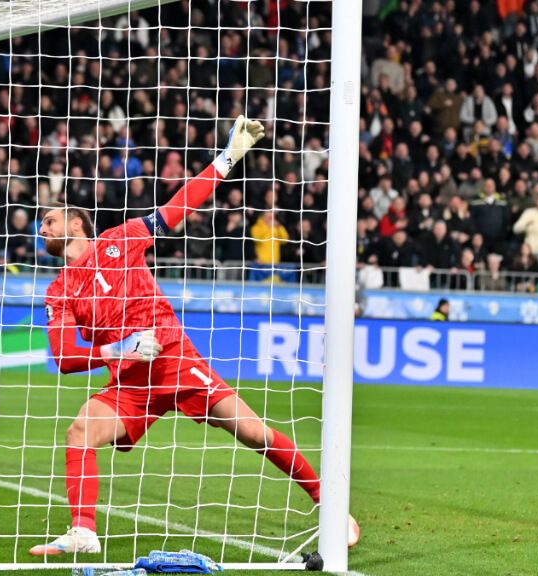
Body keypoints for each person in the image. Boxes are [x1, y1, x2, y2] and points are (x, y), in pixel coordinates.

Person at [30, 117, 359, 556]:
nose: (42, 227)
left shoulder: (119, 239)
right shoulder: (58, 291)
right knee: (79, 432)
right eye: (40, 223)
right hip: (131, 380)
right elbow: (65, 358)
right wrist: (120, 348)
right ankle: (83, 532)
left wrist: (228, 158)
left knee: (253, 433)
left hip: (175, 361)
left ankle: (332, 506)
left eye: (49, 220)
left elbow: (177, 207)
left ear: (76, 224)